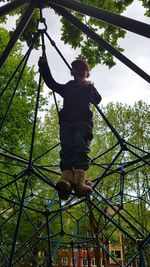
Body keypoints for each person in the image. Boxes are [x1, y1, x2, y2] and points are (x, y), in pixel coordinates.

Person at [38, 56, 102, 200]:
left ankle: (79, 182)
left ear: (87, 73)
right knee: (66, 149)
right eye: (76, 69)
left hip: (83, 124)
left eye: (82, 69)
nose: (79, 71)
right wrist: (43, 66)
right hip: (67, 123)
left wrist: (89, 86)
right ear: (72, 72)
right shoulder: (68, 87)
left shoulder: (88, 87)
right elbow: (52, 84)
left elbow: (97, 100)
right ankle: (66, 181)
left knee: (81, 149)